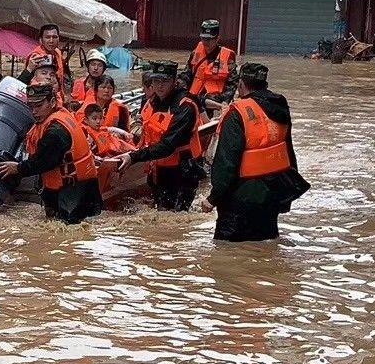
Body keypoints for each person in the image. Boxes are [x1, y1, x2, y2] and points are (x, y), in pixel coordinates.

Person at [202, 63, 310, 241]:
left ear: (241, 85)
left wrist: (213, 198)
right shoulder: (280, 107)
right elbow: (288, 150)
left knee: (227, 255)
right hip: (272, 195)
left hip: (240, 199)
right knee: (265, 249)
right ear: (265, 84)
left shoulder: (237, 113)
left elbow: (227, 163)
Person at [0, 82, 102, 224]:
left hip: (73, 194)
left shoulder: (56, 131)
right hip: (74, 191)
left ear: (52, 102)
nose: (34, 112)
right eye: (30, 107)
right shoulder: (56, 117)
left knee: (66, 235)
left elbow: (44, 162)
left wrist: (17, 168)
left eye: (38, 106)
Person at [114, 61, 203, 211]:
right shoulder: (151, 102)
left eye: (165, 81)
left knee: (175, 216)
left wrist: (134, 157)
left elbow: (168, 145)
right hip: (158, 169)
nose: (160, 86)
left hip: (182, 171)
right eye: (156, 81)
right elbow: (145, 134)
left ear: (174, 82)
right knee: (161, 212)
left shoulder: (185, 106)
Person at [183, 19, 237, 106]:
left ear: (217, 39)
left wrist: (225, 101)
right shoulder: (195, 53)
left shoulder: (227, 56)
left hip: (215, 100)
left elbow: (232, 83)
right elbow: (186, 75)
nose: (205, 42)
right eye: (203, 38)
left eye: (209, 39)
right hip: (194, 98)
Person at [20, 24, 69, 102]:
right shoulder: (36, 56)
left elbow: (61, 77)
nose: (51, 41)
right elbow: (23, 83)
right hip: (40, 99)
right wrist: (29, 68)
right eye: (47, 37)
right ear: (41, 40)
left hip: (57, 97)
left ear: (59, 39)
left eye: (54, 37)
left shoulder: (58, 53)